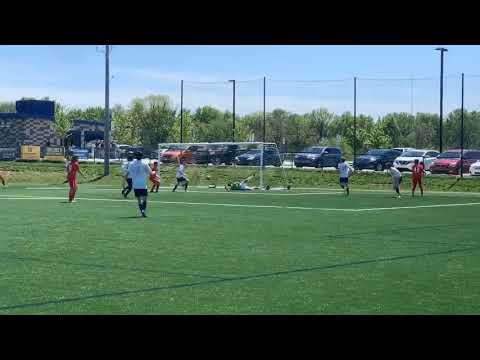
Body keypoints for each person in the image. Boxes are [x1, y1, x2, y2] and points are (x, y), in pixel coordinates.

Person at [126, 151, 153, 218]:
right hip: (143, 184)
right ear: (142, 156)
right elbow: (151, 172)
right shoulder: (145, 163)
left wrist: (124, 181)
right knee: (144, 199)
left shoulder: (132, 164)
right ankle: (143, 211)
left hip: (135, 185)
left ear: (135, 156)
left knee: (139, 200)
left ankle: (142, 211)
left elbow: (127, 173)